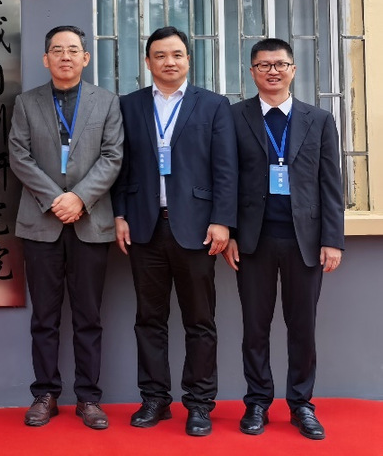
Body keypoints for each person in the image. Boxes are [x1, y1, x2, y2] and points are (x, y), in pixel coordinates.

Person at [113, 26, 237, 437]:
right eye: (161, 55)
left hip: (197, 229)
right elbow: (120, 166)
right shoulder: (128, 105)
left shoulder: (213, 105)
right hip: (144, 227)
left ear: (188, 59)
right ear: (148, 62)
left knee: (200, 321)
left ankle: (199, 404)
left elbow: (225, 168)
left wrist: (222, 220)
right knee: (149, 319)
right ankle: (154, 399)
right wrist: (120, 214)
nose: (170, 61)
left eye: (177, 54)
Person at [225, 38, 344, 440]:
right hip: (253, 240)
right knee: (255, 327)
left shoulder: (319, 119)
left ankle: (301, 404)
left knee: (302, 327)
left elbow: (330, 184)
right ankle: (257, 401)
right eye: (264, 65)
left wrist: (332, 239)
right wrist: (230, 234)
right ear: (252, 72)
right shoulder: (235, 117)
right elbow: (227, 179)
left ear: (293, 69)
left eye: (280, 64)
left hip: (304, 240)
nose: (272, 71)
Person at [8, 26, 123, 430]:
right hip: (41, 222)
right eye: (57, 50)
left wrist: (80, 198)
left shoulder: (106, 102)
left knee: (89, 315)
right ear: (46, 59)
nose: (65, 57)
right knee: (45, 316)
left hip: (90, 222)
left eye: (73, 50)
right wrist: (56, 199)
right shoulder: (26, 102)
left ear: (85, 58)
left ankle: (89, 398)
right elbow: (19, 155)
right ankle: (45, 393)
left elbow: (112, 156)